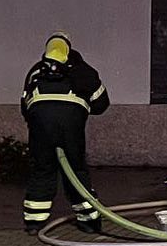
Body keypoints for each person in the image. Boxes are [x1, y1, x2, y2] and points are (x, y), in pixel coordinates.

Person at [21, 33, 110, 235]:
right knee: (76, 170)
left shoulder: (36, 70)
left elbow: (24, 103)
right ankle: (89, 221)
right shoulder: (82, 70)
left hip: (40, 122)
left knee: (42, 169)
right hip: (71, 123)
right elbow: (101, 103)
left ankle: (34, 223)